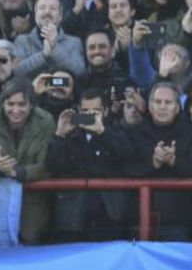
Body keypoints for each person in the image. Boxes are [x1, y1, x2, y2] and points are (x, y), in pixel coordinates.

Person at [47, 88, 136, 242]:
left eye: (95, 111)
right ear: (78, 111)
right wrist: (59, 136)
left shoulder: (117, 131)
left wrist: (102, 132)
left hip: (109, 215)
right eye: (85, 111)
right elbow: (51, 167)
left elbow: (127, 155)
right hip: (73, 218)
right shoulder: (68, 134)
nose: (89, 116)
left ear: (106, 111)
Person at [0, 77, 55, 244]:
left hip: (33, 203)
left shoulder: (45, 121)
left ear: (31, 104)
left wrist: (17, 172)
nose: (15, 110)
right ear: (3, 104)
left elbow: (46, 166)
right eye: (10, 104)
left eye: (21, 104)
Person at [128, 81, 192, 241]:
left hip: (180, 220)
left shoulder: (189, 133)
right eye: (157, 102)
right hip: (137, 218)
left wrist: (174, 162)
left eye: (168, 102)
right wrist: (153, 164)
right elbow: (122, 170)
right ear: (149, 106)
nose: (162, 106)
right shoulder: (133, 133)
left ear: (177, 108)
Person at [12, 0, 86, 79]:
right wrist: (43, 55)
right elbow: (17, 71)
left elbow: (79, 71)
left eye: (53, 8)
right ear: (35, 14)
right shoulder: (22, 40)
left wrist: (54, 48)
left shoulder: (74, 42)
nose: (47, 12)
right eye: (42, 8)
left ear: (60, 15)